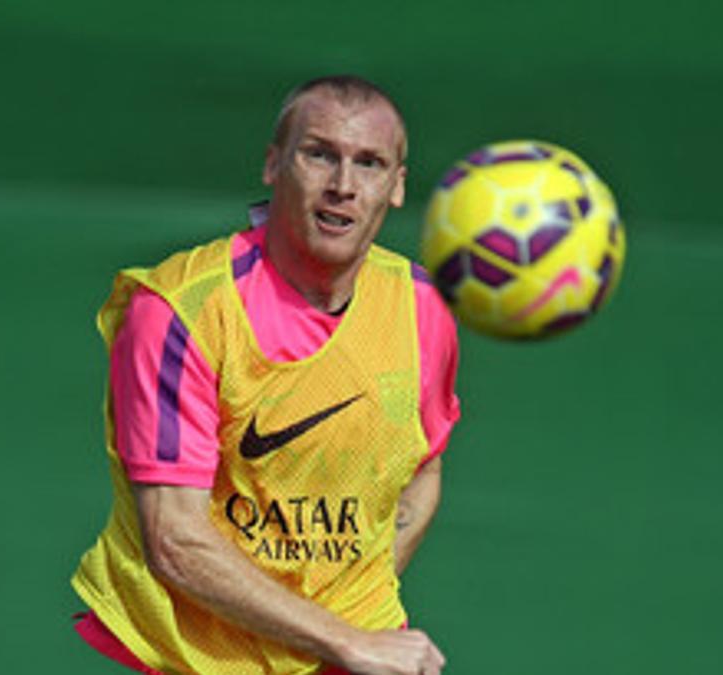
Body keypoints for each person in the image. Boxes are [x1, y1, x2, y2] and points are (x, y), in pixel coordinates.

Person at [71, 76, 460, 675]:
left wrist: (349, 622)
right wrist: (339, 638)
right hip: (198, 663)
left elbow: (424, 472)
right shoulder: (183, 311)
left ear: (398, 186)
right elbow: (174, 540)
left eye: (370, 163)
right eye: (319, 154)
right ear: (274, 163)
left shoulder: (420, 309)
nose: (343, 186)